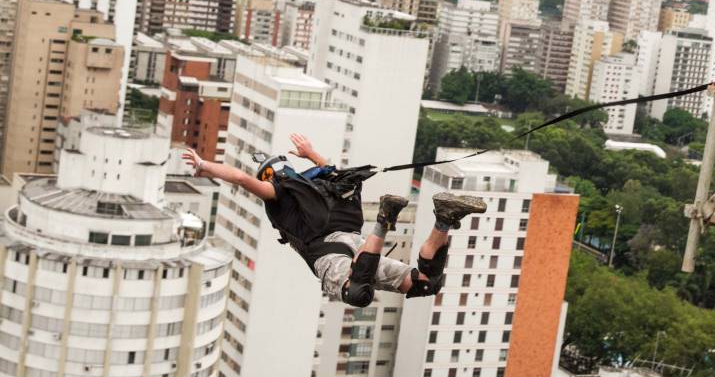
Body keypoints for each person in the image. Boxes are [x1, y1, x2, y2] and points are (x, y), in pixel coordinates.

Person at [182, 133, 487, 306]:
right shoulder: (320, 182)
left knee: (358, 292)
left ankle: (383, 221)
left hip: (329, 254)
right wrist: (310, 154)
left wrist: (204, 166)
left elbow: (239, 178)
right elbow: (334, 170)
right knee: (425, 284)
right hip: (356, 243)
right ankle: (444, 219)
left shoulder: (278, 192)